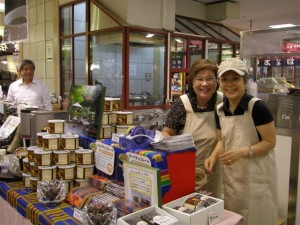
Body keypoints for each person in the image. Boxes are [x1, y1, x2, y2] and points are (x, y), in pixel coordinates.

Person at [204, 58, 278, 225]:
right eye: (224, 79)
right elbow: (222, 140)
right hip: (233, 179)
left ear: (244, 80)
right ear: (219, 82)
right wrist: (213, 157)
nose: (230, 84)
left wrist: (242, 152)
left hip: (257, 178)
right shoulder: (220, 110)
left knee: (257, 218)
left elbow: (270, 142)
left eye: (235, 79)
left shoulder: (257, 107)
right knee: (235, 218)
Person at [162, 59, 223, 195]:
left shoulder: (222, 101)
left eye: (210, 79)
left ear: (217, 81)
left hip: (215, 170)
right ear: (192, 82)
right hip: (186, 171)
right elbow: (167, 133)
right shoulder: (182, 103)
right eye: (199, 79)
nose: (204, 84)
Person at [6, 59, 52, 153]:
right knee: (17, 150)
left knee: (37, 150)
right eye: (25, 69)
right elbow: (9, 106)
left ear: (34, 70)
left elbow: (48, 107)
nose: (29, 72)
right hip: (19, 124)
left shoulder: (41, 86)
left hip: (38, 124)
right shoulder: (13, 86)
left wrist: (46, 125)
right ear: (20, 71)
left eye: (31, 69)